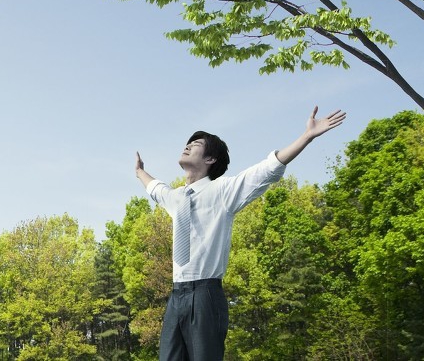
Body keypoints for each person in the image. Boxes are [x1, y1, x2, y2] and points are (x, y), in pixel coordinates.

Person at [134, 106, 347, 361]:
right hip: (176, 295)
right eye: (188, 142)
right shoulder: (176, 197)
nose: (188, 145)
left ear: (210, 159)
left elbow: (267, 169)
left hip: (205, 294)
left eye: (196, 143)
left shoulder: (223, 190)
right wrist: (139, 172)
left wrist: (306, 137)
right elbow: (155, 188)